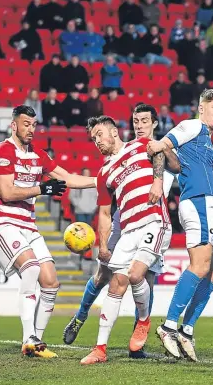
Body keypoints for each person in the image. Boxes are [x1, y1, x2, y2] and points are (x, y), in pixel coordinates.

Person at [63, 104, 180, 362]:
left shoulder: (140, 145)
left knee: (138, 275)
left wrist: (158, 180)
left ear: (114, 131)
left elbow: (162, 155)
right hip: (127, 228)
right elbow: (105, 213)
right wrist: (103, 245)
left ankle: (143, 322)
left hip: (153, 221)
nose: (96, 142)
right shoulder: (104, 172)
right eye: (93, 139)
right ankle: (100, 348)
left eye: (99, 135)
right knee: (114, 282)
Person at [0, 105, 96, 358]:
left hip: (27, 226)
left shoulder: (38, 155)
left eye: (34, 125)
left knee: (51, 282)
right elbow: (7, 192)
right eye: (26, 124)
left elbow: (66, 177)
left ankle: (37, 342)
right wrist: (41, 189)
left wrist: (100, 181)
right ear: (13, 125)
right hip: (3, 222)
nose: (30, 129)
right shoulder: (5, 150)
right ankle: (28, 337)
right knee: (32, 268)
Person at [147, 88, 213, 361]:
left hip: (207, 204)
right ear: (202, 107)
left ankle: (187, 329)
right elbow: (162, 144)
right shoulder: (194, 126)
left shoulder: (206, 139)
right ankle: (169, 326)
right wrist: (159, 152)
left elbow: (174, 161)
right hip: (196, 202)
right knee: (200, 265)